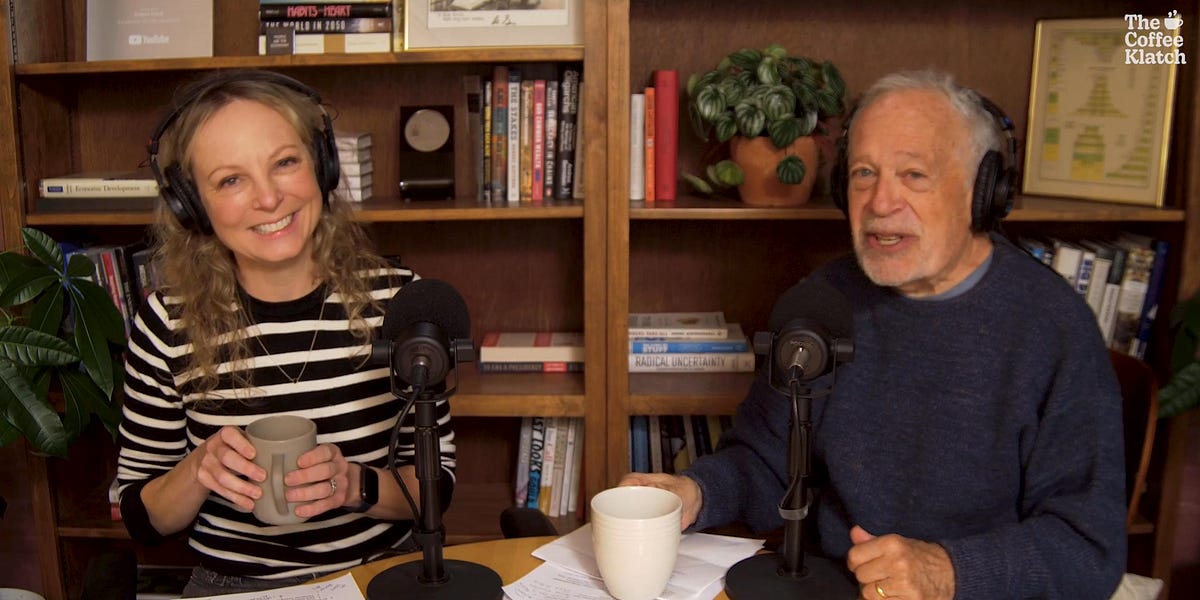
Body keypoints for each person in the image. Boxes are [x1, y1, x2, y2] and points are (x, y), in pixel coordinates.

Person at [620, 69, 1127, 600]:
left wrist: (949, 572)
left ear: (981, 191)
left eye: (913, 174)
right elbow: (769, 463)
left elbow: (1088, 548)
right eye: (864, 173)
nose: (881, 202)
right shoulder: (822, 302)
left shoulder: (1053, 327)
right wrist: (696, 493)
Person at [115, 70, 456, 596]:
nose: (269, 199)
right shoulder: (165, 324)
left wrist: (353, 485)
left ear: (322, 165)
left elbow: (436, 487)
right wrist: (199, 468)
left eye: (284, 163)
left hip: (380, 572)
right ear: (192, 204)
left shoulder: (400, 301)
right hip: (234, 585)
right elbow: (141, 518)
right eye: (231, 180)